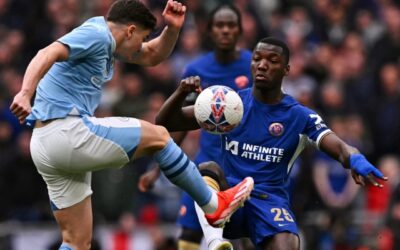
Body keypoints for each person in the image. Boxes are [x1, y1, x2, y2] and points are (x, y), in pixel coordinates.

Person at [9, 1, 254, 250]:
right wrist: (25, 93)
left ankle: (213, 206)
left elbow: (152, 55)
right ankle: (213, 205)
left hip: (45, 144)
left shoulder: (107, 42)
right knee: (159, 136)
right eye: (143, 37)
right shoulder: (97, 35)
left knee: (76, 242)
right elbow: (46, 53)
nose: (142, 44)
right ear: (130, 31)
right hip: (66, 131)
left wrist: (172, 28)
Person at [155, 37, 388, 250]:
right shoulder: (231, 105)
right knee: (207, 169)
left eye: (272, 60)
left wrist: (354, 158)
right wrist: (180, 92)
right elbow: (164, 122)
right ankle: (216, 241)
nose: (262, 65)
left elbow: (338, 145)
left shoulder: (298, 116)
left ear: (286, 70)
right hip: (229, 202)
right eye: (257, 59)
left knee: (288, 243)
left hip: (268, 202)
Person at [138, 4, 252, 250]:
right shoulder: (196, 70)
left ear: (240, 30)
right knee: (189, 234)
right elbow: (182, 123)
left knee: (244, 236)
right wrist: (158, 169)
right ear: (209, 31)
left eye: (231, 25)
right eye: (219, 25)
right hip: (205, 164)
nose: (225, 30)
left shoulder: (254, 66)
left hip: (242, 164)